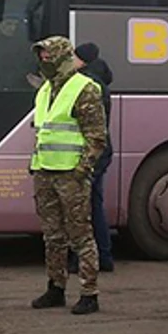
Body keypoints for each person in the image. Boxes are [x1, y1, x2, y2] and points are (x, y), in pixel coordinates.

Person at [29, 36, 106, 315]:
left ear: (62, 58)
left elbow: (96, 137)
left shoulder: (85, 88)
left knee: (81, 235)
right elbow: (42, 132)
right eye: (42, 57)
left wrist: (82, 169)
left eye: (49, 57)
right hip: (45, 171)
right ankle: (56, 287)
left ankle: (89, 292)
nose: (44, 61)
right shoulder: (44, 90)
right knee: (52, 236)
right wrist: (35, 165)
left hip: (71, 174)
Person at [70, 42, 114, 272]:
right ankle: (104, 256)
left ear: (83, 61)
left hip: (90, 154)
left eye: (75, 57)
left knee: (83, 208)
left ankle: (83, 260)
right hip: (101, 153)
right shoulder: (100, 83)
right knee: (94, 205)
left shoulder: (88, 85)